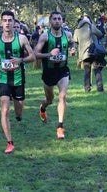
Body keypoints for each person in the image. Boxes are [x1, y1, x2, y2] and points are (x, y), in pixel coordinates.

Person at [0, 10, 35, 154]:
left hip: (18, 78)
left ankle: (18, 115)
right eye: (4, 20)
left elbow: (33, 57)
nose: (7, 23)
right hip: (3, 79)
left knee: (18, 110)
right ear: (1, 23)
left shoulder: (22, 39)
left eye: (10, 20)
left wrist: (21, 60)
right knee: (5, 109)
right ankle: (10, 143)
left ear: (14, 23)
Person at [34, 11, 76, 139]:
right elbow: (36, 54)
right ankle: (42, 108)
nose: (57, 21)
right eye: (55, 19)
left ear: (62, 21)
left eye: (59, 19)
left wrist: (73, 48)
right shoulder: (45, 37)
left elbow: (72, 43)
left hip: (63, 70)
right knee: (50, 100)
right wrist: (49, 55)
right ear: (50, 21)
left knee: (62, 96)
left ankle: (60, 127)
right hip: (49, 72)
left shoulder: (68, 34)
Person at [73, 15, 105, 93]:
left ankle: (87, 88)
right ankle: (100, 88)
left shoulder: (77, 30)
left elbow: (75, 41)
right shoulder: (91, 27)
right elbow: (100, 34)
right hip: (93, 52)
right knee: (97, 70)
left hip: (84, 54)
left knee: (87, 71)